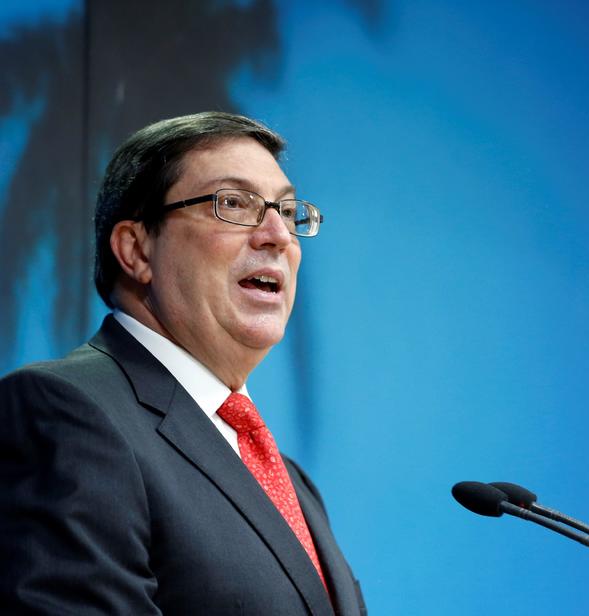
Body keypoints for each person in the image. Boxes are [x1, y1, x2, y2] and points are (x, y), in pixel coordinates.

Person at [0, 112, 366, 615]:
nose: (278, 235)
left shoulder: (292, 482)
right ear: (136, 250)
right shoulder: (65, 412)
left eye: (286, 210)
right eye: (233, 203)